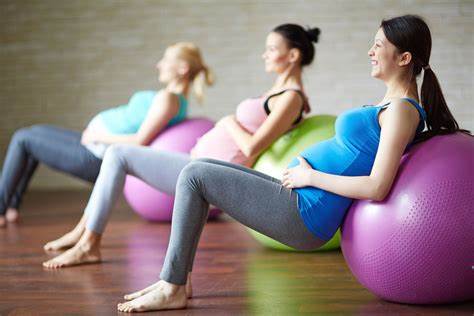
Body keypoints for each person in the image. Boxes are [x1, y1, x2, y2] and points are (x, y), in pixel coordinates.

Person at [116, 15, 470, 313]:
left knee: (195, 174)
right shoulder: (390, 105)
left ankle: (173, 284)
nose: (370, 51)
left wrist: (311, 175)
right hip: (299, 197)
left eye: (379, 45)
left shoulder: (403, 111)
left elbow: (377, 186)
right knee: (202, 167)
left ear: (405, 57)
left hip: (305, 212)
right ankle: (177, 280)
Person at [42, 24, 321, 270]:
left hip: (213, 175)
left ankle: (88, 243)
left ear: (293, 55)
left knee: (117, 153)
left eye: (272, 49)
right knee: (119, 156)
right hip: (196, 163)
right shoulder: (279, 93)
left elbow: (251, 147)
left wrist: (228, 122)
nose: (265, 54)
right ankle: (84, 234)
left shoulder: (291, 98)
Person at [0, 42, 212, 227]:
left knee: (23, 138)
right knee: (33, 132)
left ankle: (2, 207)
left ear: (183, 68)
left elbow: (139, 141)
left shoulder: (169, 99)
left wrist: (96, 137)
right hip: (93, 146)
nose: (159, 64)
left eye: (166, 60)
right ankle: (11, 207)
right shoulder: (175, 100)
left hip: (96, 155)